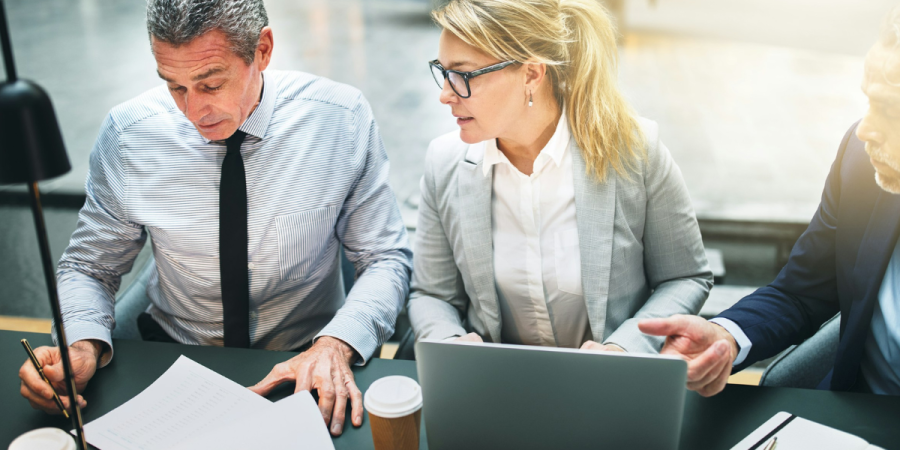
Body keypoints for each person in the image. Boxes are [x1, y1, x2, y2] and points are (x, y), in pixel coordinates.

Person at [17, 0, 411, 436]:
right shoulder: (129, 137)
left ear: (262, 50)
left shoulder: (340, 121)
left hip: (307, 363)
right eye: (174, 87)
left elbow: (385, 258)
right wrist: (82, 341)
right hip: (175, 362)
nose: (192, 112)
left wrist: (336, 344)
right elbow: (90, 267)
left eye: (210, 84)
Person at [407, 0, 713, 354]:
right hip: (494, 390)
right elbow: (432, 294)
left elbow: (684, 277)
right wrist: (451, 343)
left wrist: (625, 349)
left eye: (463, 75)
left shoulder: (636, 151)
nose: (445, 94)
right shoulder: (445, 163)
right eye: (443, 71)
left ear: (532, 75)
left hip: (609, 390)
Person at [640, 5, 900, 397]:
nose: (865, 130)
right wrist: (723, 337)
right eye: (868, 103)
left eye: (887, 108)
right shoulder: (862, 165)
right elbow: (800, 293)